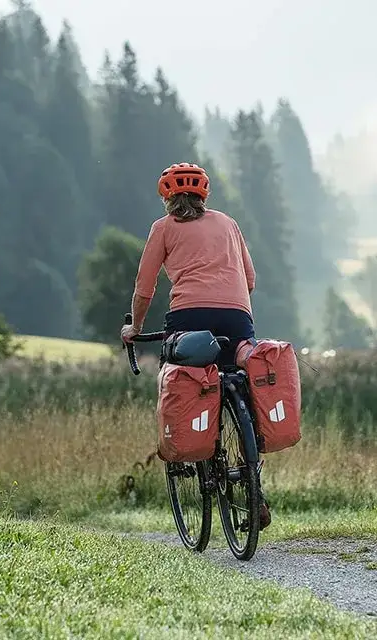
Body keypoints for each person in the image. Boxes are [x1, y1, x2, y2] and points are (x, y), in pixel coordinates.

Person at [120, 162, 270, 528]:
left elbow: (145, 288)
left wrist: (134, 328)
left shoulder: (164, 228)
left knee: (179, 375)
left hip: (189, 317)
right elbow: (250, 280)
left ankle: (186, 450)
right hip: (237, 317)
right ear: (205, 194)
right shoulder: (228, 223)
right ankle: (254, 486)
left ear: (166, 197)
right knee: (240, 382)